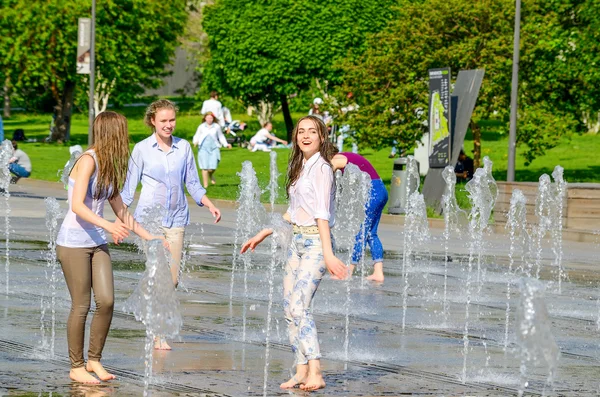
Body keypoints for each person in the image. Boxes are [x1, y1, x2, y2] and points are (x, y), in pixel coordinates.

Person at [56, 111, 168, 384]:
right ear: (112, 134)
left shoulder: (107, 164)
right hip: (73, 243)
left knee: (106, 301)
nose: (126, 138)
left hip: (96, 242)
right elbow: (77, 206)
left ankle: (94, 359)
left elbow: (121, 210)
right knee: (81, 305)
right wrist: (108, 227)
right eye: (123, 132)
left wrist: (149, 236)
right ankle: (76, 365)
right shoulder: (87, 161)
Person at [241, 115, 347, 391]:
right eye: (301, 131)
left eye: (313, 131)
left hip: (315, 243)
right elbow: (294, 212)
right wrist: (265, 232)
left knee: (300, 306)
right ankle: (300, 369)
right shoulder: (301, 166)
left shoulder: (322, 168)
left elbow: (322, 214)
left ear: (322, 138)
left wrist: (328, 253)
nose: (306, 136)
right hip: (297, 241)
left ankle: (316, 371)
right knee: (289, 308)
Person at [121, 100, 222, 349]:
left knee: (173, 279)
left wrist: (209, 203)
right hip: (149, 220)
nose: (169, 125)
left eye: (172, 120)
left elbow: (193, 183)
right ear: (152, 121)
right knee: (160, 275)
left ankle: (147, 304)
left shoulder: (184, 147)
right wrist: (118, 219)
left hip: (176, 219)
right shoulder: (142, 149)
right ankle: (158, 333)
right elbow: (128, 188)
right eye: (163, 120)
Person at [330, 150, 388, 282]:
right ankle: (378, 272)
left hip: (373, 192)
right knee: (371, 233)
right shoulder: (348, 156)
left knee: (362, 232)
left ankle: (348, 271)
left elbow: (332, 167)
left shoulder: (337, 158)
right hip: (381, 190)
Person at [192, 111, 231, 188]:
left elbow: (221, 136)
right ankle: (205, 186)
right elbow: (197, 135)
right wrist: (195, 141)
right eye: (208, 118)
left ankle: (210, 174)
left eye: (211, 118)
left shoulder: (216, 126)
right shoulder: (201, 126)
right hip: (203, 148)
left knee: (213, 166)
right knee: (204, 167)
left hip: (214, 147)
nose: (209, 119)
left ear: (213, 119)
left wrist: (226, 144)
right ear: (205, 118)